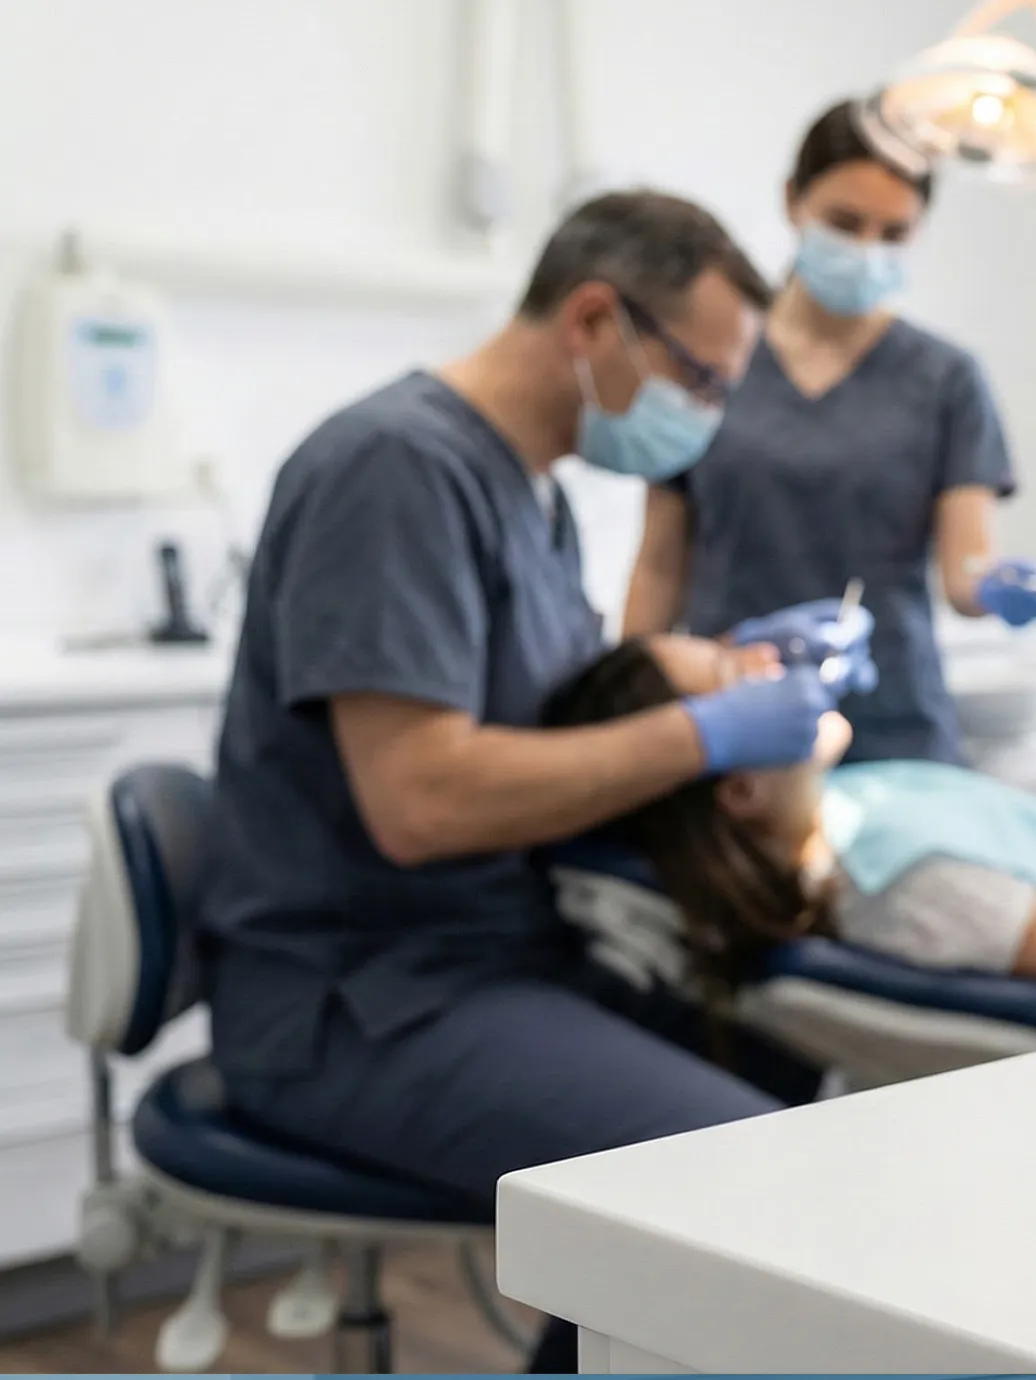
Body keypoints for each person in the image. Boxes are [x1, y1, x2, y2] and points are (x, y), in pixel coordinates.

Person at [197, 191, 859, 1373]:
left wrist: (725, 670)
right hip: (358, 998)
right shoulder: (395, 469)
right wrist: (709, 731)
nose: (705, 417)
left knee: (805, 1065)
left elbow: (555, 720)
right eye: (700, 382)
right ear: (595, 319)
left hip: (491, 955)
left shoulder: (531, 494)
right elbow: (424, 800)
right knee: (757, 1191)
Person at [542, 636, 1036, 1019]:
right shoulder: (904, 886)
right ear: (738, 790)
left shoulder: (839, 811)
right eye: (737, 676)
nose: (772, 660)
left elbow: (998, 872)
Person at [625, 100, 1036, 766]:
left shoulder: (945, 380)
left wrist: (1009, 588)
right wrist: (625, 709)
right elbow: (657, 566)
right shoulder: (709, 359)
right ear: (793, 200)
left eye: (893, 232)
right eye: (844, 223)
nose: (866, 249)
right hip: (732, 727)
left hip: (895, 734)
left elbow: (967, 575)